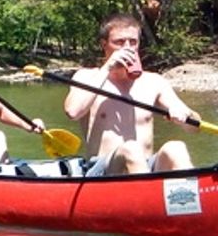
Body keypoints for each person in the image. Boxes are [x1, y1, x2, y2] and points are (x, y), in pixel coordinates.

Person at [64, 14, 199, 175]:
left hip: (145, 166)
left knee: (176, 148)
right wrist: (108, 67)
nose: (128, 48)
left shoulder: (154, 81)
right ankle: (148, 197)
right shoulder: (86, 76)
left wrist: (186, 116)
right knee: (130, 148)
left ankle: (189, 196)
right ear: (104, 44)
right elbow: (73, 112)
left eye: (133, 42)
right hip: (102, 169)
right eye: (119, 42)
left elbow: (194, 128)